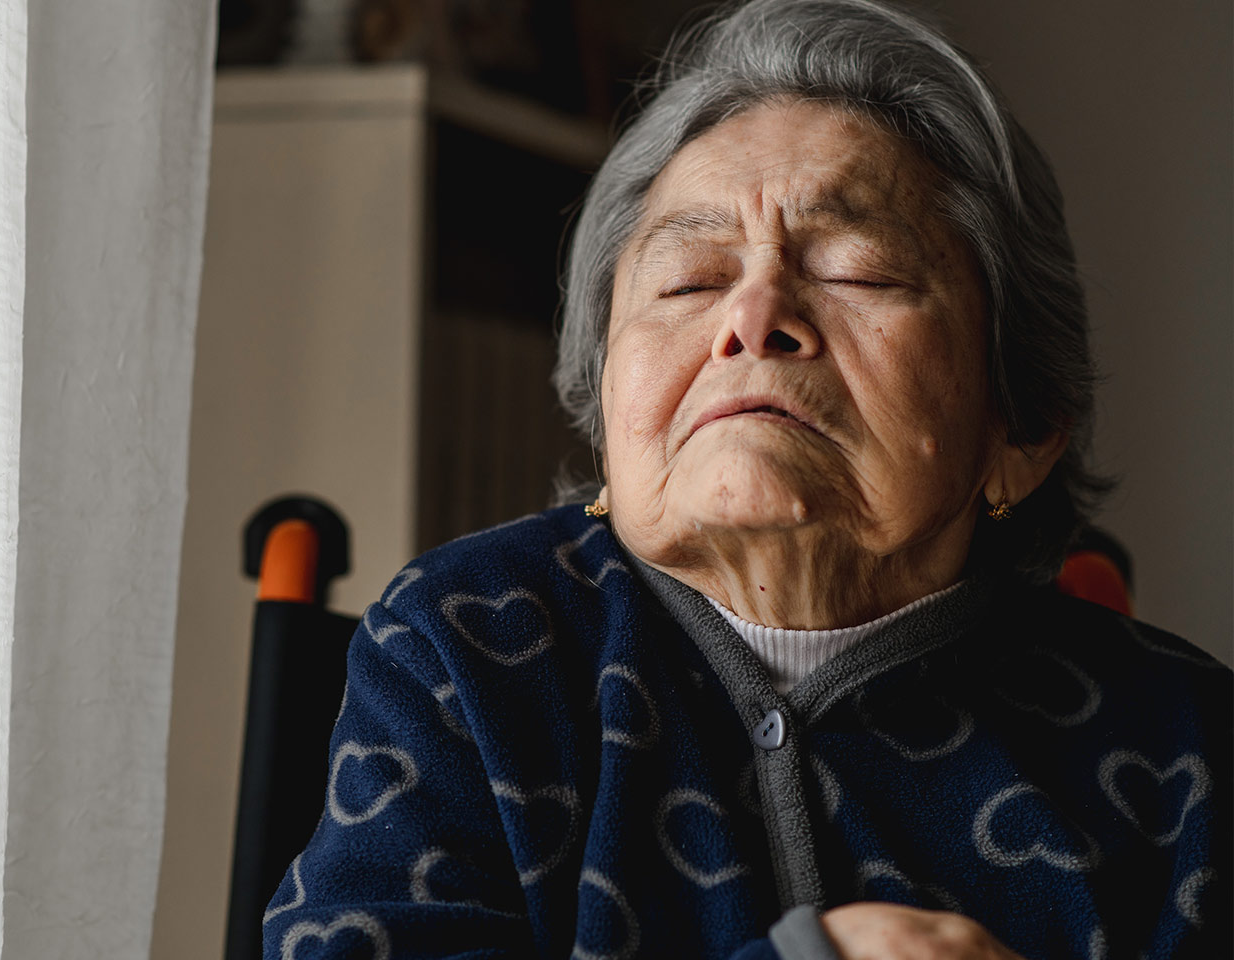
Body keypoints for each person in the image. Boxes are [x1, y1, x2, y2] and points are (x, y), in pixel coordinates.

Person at [262, 0, 1231, 956]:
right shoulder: (468, 645)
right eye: (687, 281)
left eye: (860, 272)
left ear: (1022, 423)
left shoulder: (1185, 746)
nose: (754, 316)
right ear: (607, 409)